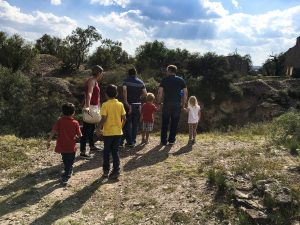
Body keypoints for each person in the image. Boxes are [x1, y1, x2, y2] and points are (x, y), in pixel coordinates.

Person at [47, 103, 82, 185]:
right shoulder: (75, 122)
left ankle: (68, 170)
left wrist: (48, 141)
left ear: (62, 112)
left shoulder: (60, 121)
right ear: (73, 112)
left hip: (62, 146)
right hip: (71, 146)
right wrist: (79, 136)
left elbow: (53, 131)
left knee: (65, 159)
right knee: (70, 161)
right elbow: (79, 135)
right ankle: (67, 175)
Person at [99, 84, 126, 179]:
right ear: (117, 94)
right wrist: (120, 127)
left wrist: (99, 128)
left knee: (106, 152)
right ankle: (116, 171)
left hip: (108, 133)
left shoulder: (105, 105)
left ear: (106, 94)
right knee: (115, 151)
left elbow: (103, 118)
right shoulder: (120, 104)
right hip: (118, 132)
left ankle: (106, 172)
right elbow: (124, 118)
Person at [157, 65, 188, 145]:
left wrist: (159, 102)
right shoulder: (181, 80)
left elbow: (160, 92)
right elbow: (185, 93)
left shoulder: (164, 80)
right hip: (177, 104)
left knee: (165, 122)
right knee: (174, 122)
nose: (166, 72)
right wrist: (183, 105)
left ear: (170, 71)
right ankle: (171, 140)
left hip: (167, 103)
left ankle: (163, 140)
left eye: (167, 71)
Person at [80, 65, 103, 159]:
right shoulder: (92, 81)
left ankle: (92, 146)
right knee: (85, 131)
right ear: (99, 73)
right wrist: (87, 106)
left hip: (94, 107)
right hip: (90, 107)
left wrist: (99, 107)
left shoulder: (94, 81)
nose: (102, 75)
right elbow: (89, 93)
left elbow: (93, 96)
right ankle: (82, 152)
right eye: (102, 73)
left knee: (91, 128)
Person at [122, 67, 147, 147]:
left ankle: (129, 142)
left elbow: (124, 90)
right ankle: (133, 140)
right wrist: (139, 98)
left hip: (128, 104)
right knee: (135, 124)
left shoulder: (126, 81)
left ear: (128, 73)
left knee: (128, 123)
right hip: (137, 105)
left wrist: (125, 101)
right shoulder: (141, 82)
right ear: (136, 73)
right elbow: (145, 93)